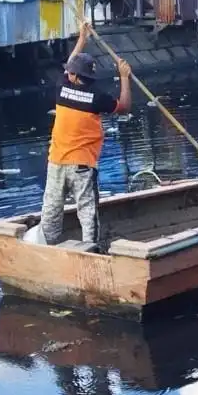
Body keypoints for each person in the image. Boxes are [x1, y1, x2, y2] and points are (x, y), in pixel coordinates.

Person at [41, 22, 132, 248]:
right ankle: (90, 249)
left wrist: (82, 38)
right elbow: (124, 107)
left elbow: (69, 67)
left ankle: (47, 247)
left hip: (57, 161)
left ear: (72, 76)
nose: (67, 73)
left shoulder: (61, 88)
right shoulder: (97, 97)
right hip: (82, 165)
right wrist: (125, 77)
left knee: (51, 210)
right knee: (87, 212)